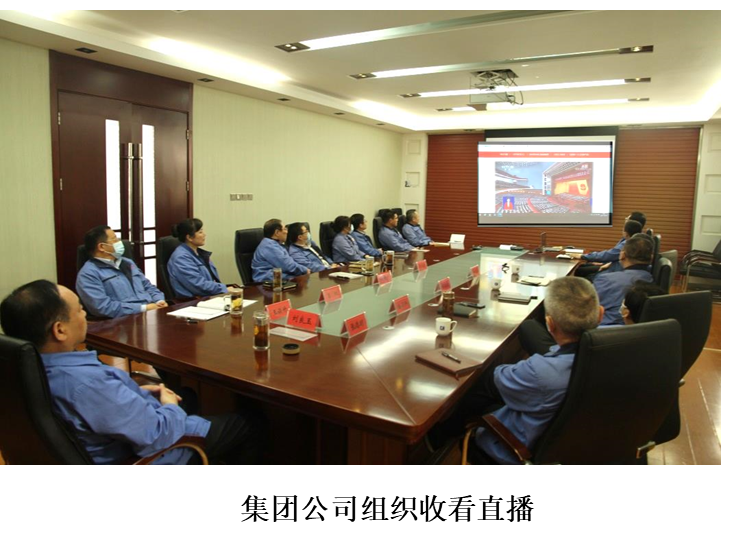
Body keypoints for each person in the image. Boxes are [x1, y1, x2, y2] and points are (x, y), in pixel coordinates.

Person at [0, 280, 264, 464]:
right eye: (79, 309)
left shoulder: (21, 370)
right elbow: (155, 435)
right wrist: (169, 407)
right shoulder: (87, 385)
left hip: (106, 438)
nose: (84, 314)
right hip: (142, 456)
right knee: (249, 422)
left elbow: (92, 408)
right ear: (60, 330)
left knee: (189, 395)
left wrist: (131, 392)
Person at [427, 277, 603, 464]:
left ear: (550, 324)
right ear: (601, 314)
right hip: (584, 446)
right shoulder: (619, 349)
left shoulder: (540, 372)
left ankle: (442, 433)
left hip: (519, 450)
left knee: (483, 383)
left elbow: (499, 377)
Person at [76, 225, 167, 318]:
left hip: (150, 312)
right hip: (121, 320)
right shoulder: (88, 274)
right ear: (102, 247)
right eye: (115, 239)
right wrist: (143, 308)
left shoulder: (127, 262)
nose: (120, 242)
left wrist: (159, 300)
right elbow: (102, 307)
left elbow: (147, 285)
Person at [594, 235, 654, 326]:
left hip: (603, 326)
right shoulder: (650, 277)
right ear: (651, 258)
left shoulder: (605, 280)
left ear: (622, 255)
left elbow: (589, 308)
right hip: (632, 327)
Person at [572, 212, 646, 277]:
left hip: (615, 271)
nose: (625, 219)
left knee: (581, 271)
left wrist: (583, 256)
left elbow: (610, 255)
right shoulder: (636, 238)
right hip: (613, 266)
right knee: (584, 266)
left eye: (627, 218)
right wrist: (606, 262)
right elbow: (613, 256)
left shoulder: (630, 242)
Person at [167, 218, 227, 298]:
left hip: (210, 296)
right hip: (193, 301)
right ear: (189, 237)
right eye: (200, 232)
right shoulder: (180, 258)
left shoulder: (200, 254)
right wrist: (223, 289)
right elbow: (198, 285)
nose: (204, 234)